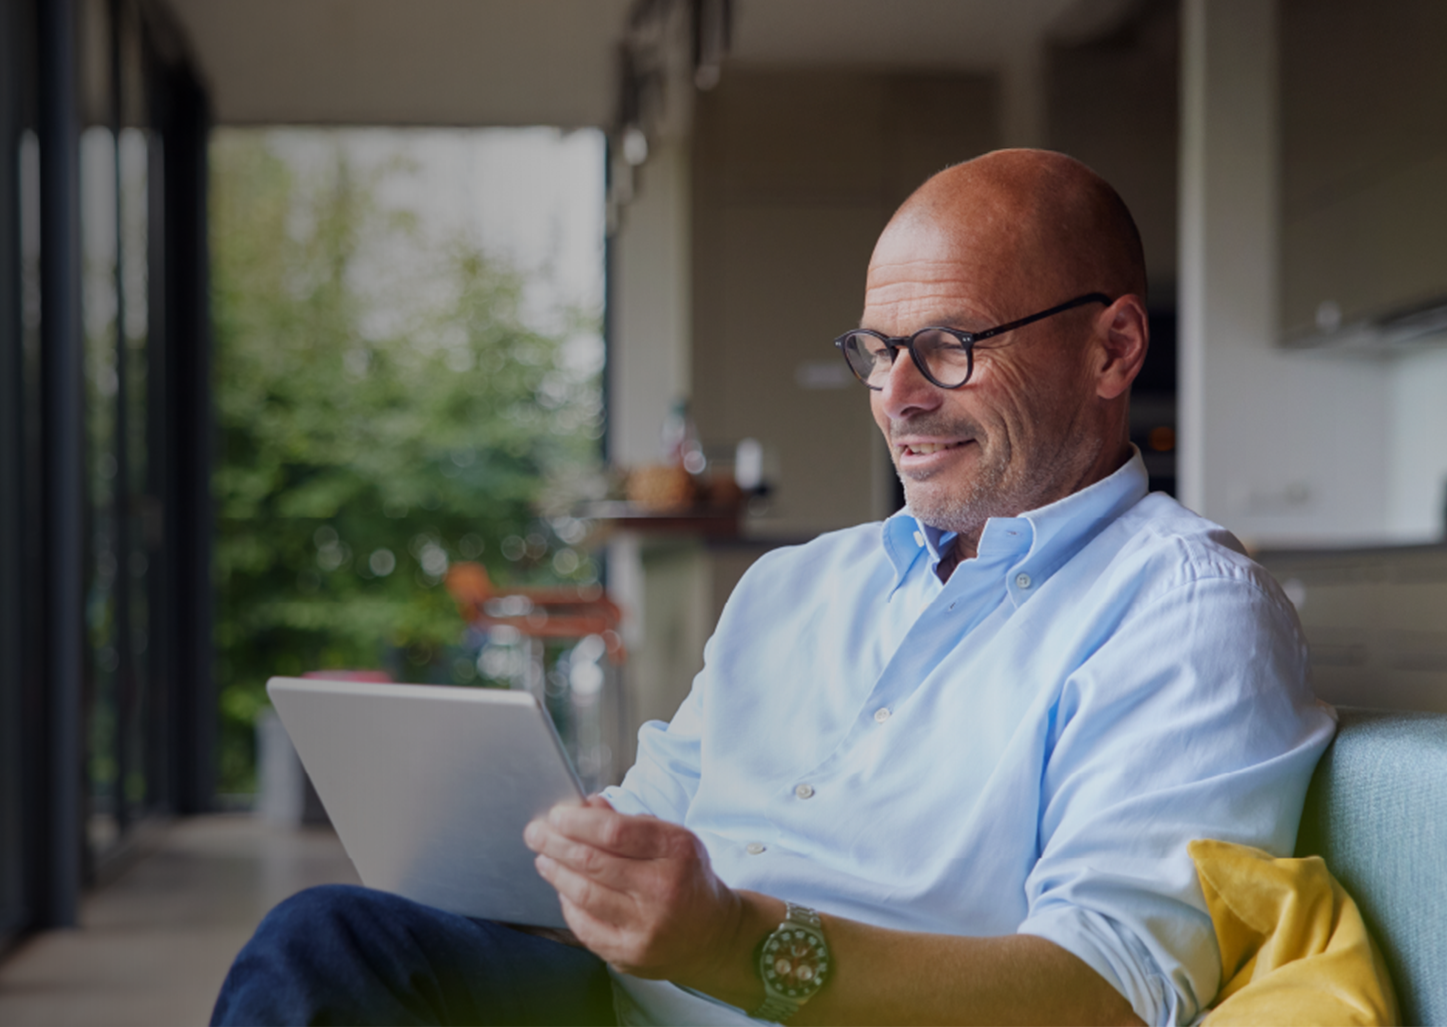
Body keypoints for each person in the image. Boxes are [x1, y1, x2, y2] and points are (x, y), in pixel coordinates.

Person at [210, 150, 1333, 1027]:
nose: (897, 396)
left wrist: (731, 947)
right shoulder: (794, 588)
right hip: (632, 1005)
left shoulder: (1183, 609)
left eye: (946, 346)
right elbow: (659, 817)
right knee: (327, 946)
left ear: (1112, 348)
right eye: (876, 351)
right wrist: (590, 862)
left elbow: (1111, 995)